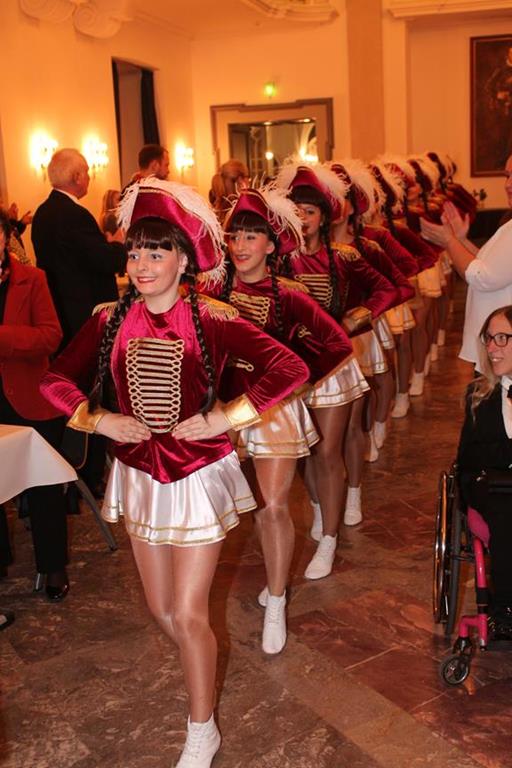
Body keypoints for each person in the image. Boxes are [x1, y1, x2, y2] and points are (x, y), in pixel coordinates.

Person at [40, 177, 309, 768]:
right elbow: (53, 380)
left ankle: (201, 728)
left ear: (184, 260)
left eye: (156, 253)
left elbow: (288, 367)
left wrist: (226, 416)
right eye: (134, 253)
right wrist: (99, 419)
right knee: (163, 612)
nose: (141, 265)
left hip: (197, 476)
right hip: (139, 477)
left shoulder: (212, 316)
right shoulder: (109, 318)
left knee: (189, 614)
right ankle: (202, 670)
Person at [211, 186, 352, 647]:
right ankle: (273, 577)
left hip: (272, 414)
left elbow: (337, 343)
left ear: (272, 246)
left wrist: (299, 381)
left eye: (252, 237)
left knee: (273, 506)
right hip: (223, 416)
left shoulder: (290, 295)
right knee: (246, 509)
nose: (241, 246)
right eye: (235, 236)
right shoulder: (210, 291)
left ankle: (276, 600)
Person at [0, 209, 69, 600]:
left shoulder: (33, 278)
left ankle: (53, 565)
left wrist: (3, 337)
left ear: (5, 237)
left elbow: (50, 336)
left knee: (43, 482)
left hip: (28, 396)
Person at [420, 155, 512, 373]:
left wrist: (449, 241)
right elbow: (492, 266)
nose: (508, 184)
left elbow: (482, 277)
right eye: (507, 176)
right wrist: (460, 239)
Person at [457, 305, 512, 639]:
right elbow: (467, 458)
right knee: (507, 510)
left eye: (502, 338)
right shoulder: (479, 395)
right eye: (489, 338)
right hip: (492, 489)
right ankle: (505, 608)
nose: (492, 347)